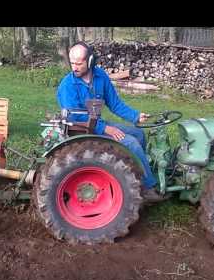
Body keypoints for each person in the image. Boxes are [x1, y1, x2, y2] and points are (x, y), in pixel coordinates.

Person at [56, 41, 165, 202]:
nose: (74, 67)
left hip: (97, 125)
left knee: (139, 134)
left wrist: (135, 116)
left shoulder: (100, 76)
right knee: (132, 143)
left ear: (90, 61)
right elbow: (75, 117)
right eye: (72, 63)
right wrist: (106, 129)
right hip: (80, 129)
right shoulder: (68, 85)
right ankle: (147, 187)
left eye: (79, 63)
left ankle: (134, 174)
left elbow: (114, 103)